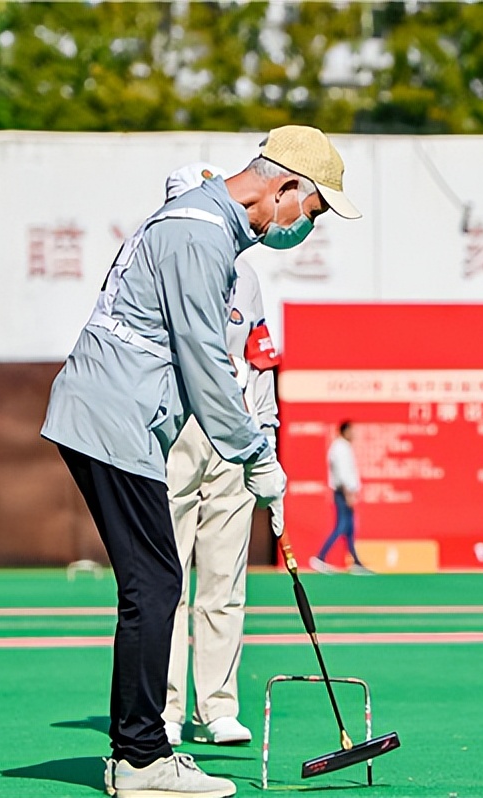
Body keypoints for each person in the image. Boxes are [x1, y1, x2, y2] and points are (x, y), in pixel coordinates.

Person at [41, 127, 360, 798]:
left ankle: (143, 750)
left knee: (152, 581)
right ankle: (140, 759)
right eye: (313, 210)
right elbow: (206, 363)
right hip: (111, 416)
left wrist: (252, 448)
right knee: (156, 582)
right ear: (283, 189)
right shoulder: (199, 234)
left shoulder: (210, 231)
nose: (308, 225)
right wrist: (256, 455)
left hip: (118, 415)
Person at [160, 163, 280, 749]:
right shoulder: (169, 259)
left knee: (225, 578)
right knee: (167, 579)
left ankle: (217, 705)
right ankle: (165, 709)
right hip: (176, 432)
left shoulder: (246, 277)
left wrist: (268, 440)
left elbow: (258, 362)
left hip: (233, 436)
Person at [310, 421, 371, 574]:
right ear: (344, 431)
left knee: (350, 528)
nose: (354, 434)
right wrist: (348, 493)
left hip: (345, 492)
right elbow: (343, 474)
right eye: (351, 431)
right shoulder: (340, 448)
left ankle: (355, 561)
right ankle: (320, 557)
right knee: (342, 526)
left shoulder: (343, 447)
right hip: (343, 493)